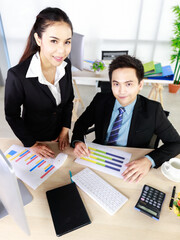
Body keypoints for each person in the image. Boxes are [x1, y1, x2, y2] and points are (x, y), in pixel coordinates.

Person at [71, 55, 180, 183]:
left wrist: (149, 160)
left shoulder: (153, 110)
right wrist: (77, 141)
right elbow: (81, 123)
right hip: (100, 156)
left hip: (131, 162)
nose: (121, 91)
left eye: (128, 84)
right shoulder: (100, 100)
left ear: (140, 85)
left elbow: (176, 143)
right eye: (116, 84)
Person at [5, 7, 74, 158]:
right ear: (38, 39)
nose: (62, 51)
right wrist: (31, 143)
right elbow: (12, 115)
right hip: (36, 139)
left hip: (59, 137)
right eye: (54, 41)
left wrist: (64, 130)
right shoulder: (17, 76)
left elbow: (69, 100)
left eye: (67, 42)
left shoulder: (66, 65)